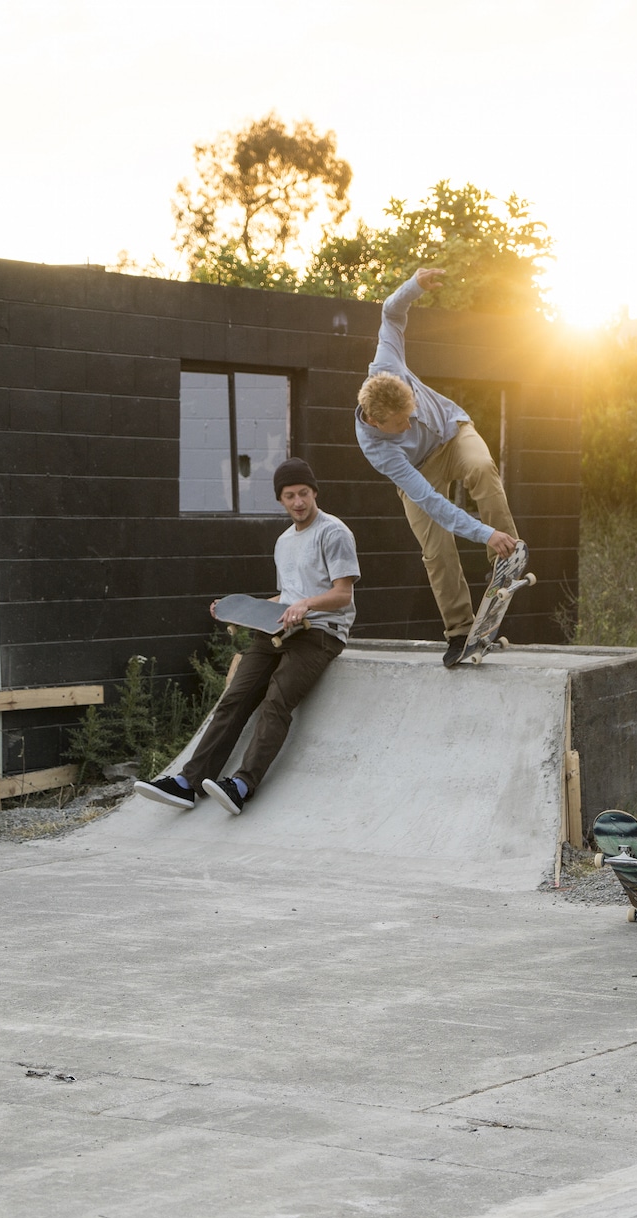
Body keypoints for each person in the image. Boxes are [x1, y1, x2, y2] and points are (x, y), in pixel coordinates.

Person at [136, 458, 359, 815]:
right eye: (290, 496)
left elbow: (342, 594)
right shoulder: (284, 541)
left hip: (321, 632)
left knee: (276, 701)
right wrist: (240, 611)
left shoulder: (333, 533)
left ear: (314, 492)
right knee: (234, 698)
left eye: (304, 493)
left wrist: (306, 605)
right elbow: (284, 598)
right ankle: (188, 783)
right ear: (281, 500)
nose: (298, 502)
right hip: (280, 630)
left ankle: (242, 784)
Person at [354, 267, 521, 665]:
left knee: (481, 466)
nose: (410, 424)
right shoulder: (379, 449)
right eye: (401, 424)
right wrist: (481, 532)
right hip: (419, 474)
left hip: (453, 433)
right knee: (436, 548)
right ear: (377, 423)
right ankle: (460, 629)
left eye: (410, 413)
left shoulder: (387, 362)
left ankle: (507, 554)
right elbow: (430, 500)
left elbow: (390, 313)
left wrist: (414, 285)